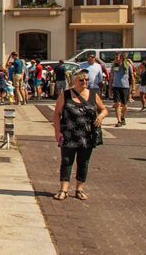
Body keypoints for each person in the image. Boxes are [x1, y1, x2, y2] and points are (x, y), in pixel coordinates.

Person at [52, 69, 108, 201]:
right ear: (74, 81)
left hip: (87, 136)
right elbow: (57, 113)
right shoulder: (66, 95)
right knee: (66, 161)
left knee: (83, 162)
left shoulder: (93, 95)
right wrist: (57, 131)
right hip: (69, 134)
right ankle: (63, 189)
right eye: (81, 80)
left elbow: (104, 109)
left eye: (87, 80)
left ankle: (79, 189)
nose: (84, 82)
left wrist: (101, 116)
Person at [109, 52, 134, 126]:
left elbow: (132, 77)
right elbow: (111, 78)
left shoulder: (127, 65)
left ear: (122, 58)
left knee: (125, 106)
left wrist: (133, 88)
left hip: (125, 87)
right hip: (116, 87)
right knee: (117, 104)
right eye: (115, 57)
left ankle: (122, 117)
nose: (116, 59)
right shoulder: (113, 66)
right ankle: (119, 121)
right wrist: (110, 88)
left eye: (117, 57)